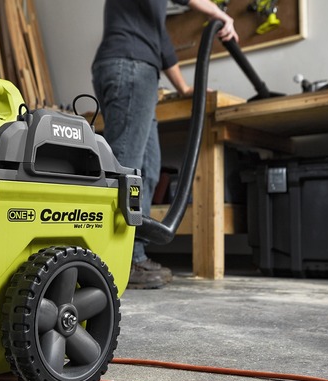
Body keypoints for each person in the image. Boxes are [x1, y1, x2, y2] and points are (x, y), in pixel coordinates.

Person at [92, 0, 238, 289]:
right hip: (131, 67)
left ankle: (133, 255)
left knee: (147, 167)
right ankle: (113, 260)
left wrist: (183, 87)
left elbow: (160, 40)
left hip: (131, 68)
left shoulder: (147, 13)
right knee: (126, 167)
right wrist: (219, 14)